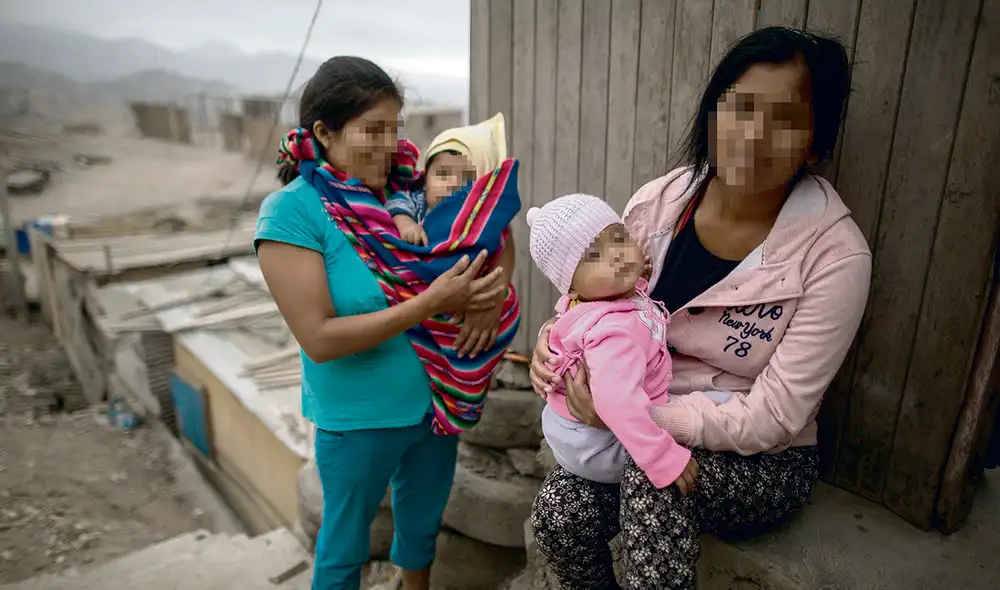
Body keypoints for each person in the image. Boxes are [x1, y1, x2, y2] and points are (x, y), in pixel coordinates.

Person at [528, 27, 871, 589]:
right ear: (714, 113)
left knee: (651, 482)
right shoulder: (659, 203)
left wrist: (633, 417)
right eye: (740, 107)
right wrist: (554, 340)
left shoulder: (835, 256)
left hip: (761, 455)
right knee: (558, 511)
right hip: (634, 423)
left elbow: (777, 414)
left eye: (783, 119)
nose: (753, 136)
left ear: (815, 142)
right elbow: (598, 293)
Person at [255, 56, 509, 590]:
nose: (388, 143)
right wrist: (430, 302)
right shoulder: (292, 213)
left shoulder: (408, 196)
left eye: (394, 127)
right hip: (358, 420)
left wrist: (494, 291)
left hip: (436, 402)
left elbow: (490, 229)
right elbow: (319, 339)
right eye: (372, 129)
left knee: (420, 535)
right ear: (323, 132)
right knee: (343, 549)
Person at [525, 194, 697, 494]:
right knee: (710, 414)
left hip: (566, 427)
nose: (616, 254)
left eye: (618, 237)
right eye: (594, 255)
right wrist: (661, 457)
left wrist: (633, 278)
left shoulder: (586, 301)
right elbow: (617, 403)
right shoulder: (614, 332)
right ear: (572, 284)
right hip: (598, 446)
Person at [389, 112, 507, 246]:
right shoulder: (418, 202)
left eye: (467, 178)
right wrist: (405, 223)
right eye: (443, 174)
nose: (453, 184)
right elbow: (396, 203)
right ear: (425, 180)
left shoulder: (477, 216)